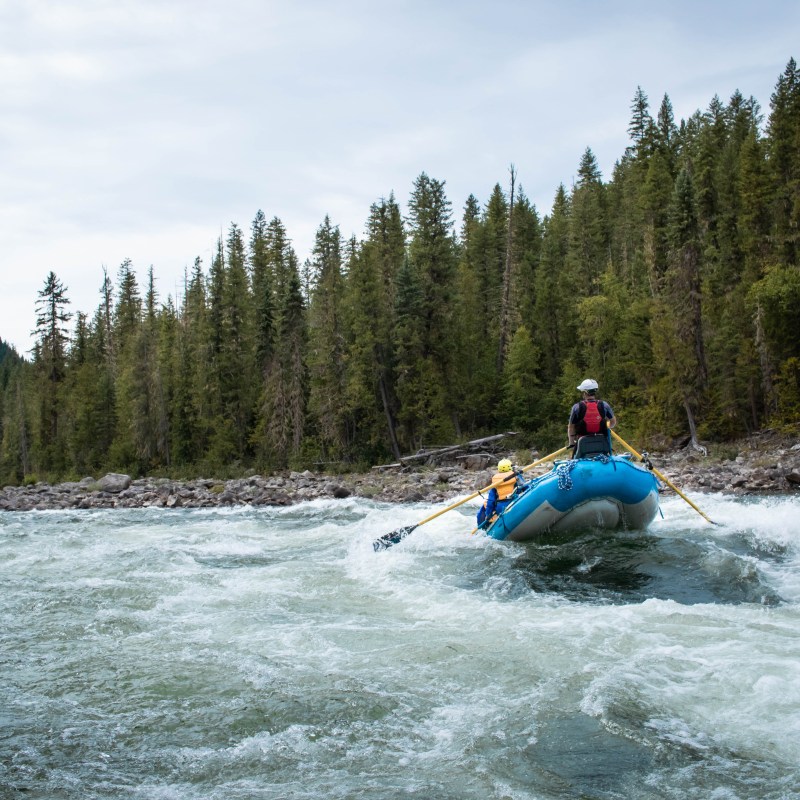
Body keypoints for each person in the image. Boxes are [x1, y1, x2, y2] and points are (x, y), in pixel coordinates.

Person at [567, 378, 617, 453]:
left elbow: (571, 427)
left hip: (582, 443)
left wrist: (571, 443)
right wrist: (606, 428)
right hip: (602, 442)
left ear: (584, 393)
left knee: (574, 457)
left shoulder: (576, 407)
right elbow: (613, 422)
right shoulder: (604, 405)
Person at [476, 458, 519, 527]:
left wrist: (488, 514)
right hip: (515, 502)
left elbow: (491, 501)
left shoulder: (496, 484)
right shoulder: (516, 478)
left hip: (501, 508)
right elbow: (526, 488)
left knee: (485, 504)